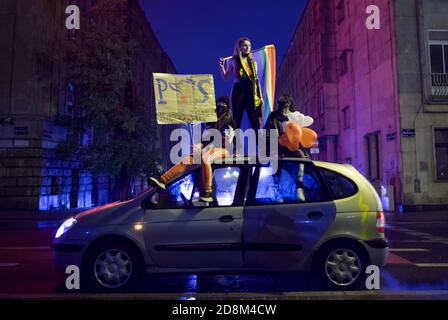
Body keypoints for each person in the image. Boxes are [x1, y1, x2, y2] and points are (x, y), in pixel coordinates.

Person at [148, 97, 236, 202]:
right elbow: (206, 139)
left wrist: (207, 147)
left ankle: (207, 192)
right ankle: (163, 179)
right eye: (218, 106)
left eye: (223, 106)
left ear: (227, 110)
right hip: (212, 148)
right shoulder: (212, 121)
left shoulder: (230, 121)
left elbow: (226, 141)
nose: (219, 109)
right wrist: (199, 146)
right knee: (188, 159)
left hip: (226, 149)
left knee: (206, 158)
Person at [219, 38, 263, 143]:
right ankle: (235, 148)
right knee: (236, 119)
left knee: (255, 119)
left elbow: (256, 80)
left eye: (249, 45)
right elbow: (225, 77)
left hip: (251, 91)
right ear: (239, 47)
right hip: (238, 91)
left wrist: (260, 96)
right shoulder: (233, 60)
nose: (247, 47)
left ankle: (262, 147)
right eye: (244, 45)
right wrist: (221, 66)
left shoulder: (253, 63)